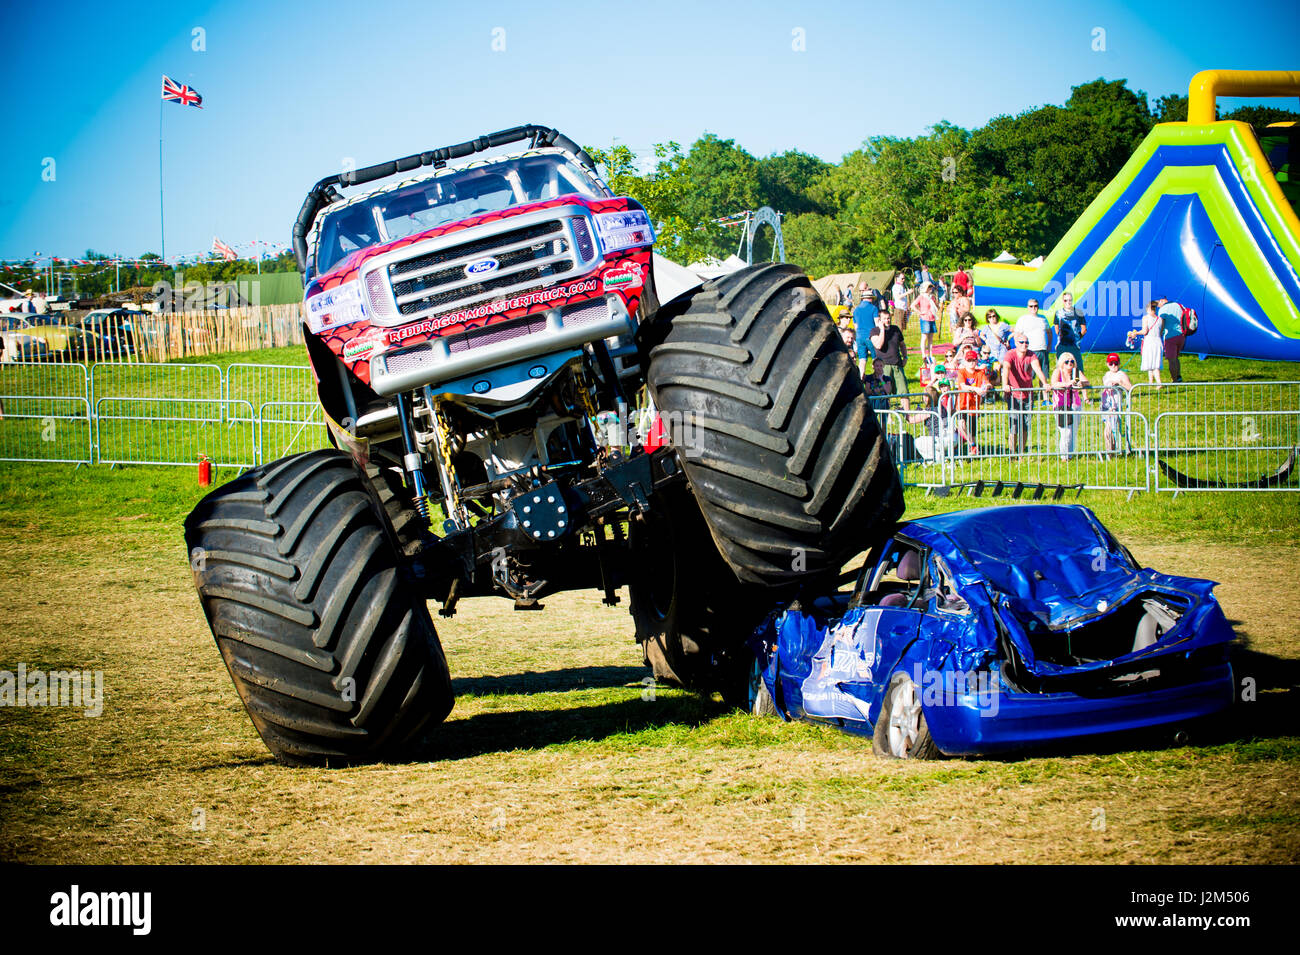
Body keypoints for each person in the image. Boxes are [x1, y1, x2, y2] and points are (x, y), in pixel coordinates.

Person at [1001, 332, 1050, 454]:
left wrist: (1044, 383)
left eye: (1027, 342)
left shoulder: (1031, 355)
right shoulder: (1010, 354)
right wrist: (1005, 384)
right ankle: (1012, 453)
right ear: (1016, 343)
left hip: (1028, 394)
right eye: (1022, 342)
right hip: (1013, 395)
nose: (1025, 344)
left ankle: (1021, 453)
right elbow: (1006, 368)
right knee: (1014, 426)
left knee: (1025, 425)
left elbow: (1037, 369)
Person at [1050, 353, 1090, 461]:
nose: (1070, 363)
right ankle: (1064, 456)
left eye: (1072, 361)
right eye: (1067, 361)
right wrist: (1067, 383)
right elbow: (1053, 384)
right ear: (1062, 363)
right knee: (1065, 431)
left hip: (1075, 404)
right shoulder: (1058, 371)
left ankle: (1070, 455)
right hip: (1061, 405)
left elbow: (1087, 382)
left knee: (1073, 431)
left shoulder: (1076, 372)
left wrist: (1082, 383)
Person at [871, 309, 910, 411]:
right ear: (879, 320)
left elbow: (902, 345)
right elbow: (878, 345)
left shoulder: (895, 329)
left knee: (904, 391)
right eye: (884, 319)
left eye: (888, 318)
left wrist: (905, 357)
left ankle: (908, 414)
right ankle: (888, 417)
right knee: (885, 392)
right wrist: (882, 330)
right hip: (883, 366)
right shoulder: (874, 331)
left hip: (897, 364)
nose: (887, 320)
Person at [954, 348, 990, 455]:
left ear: (976, 361)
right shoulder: (962, 372)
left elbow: (987, 383)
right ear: (965, 361)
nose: (971, 363)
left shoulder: (980, 373)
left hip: (974, 406)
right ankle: (972, 444)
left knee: (972, 430)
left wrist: (986, 388)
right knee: (962, 424)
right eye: (969, 360)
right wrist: (975, 389)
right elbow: (962, 385)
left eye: (973, 360)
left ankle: (973, 449)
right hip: (962, 404)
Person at [1100, 353, 1133, 454]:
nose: (1113, 365)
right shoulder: (1106, 374)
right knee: (1108, 429)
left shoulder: (1121, 374)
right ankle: (1110, 451)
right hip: (1106, 405)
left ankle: (1112, 451)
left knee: (1110, 429)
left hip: (1116, 406)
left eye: (1116, 363)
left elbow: (1130, 387)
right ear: (1107, 364)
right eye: (1111, 363)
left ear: (1119, 363)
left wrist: (1119, 384)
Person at [1128, 300, 1163, 387]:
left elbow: (1144, 331)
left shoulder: (1146, 318)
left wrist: (1135, 333)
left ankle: (1159, 383)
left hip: (1149, 341)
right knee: (1155, 362)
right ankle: (1150, 382)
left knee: (1151, 363)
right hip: (1158, 341)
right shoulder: (1160, 319)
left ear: (1148, 309)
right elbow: (1161, 332)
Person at [1014, 298, 1051, 380]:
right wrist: (1019, 348)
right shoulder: (1023, 319)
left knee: (1043, 376)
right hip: (1029, 351)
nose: (1033, 308)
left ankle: (1043, 392)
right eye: (1031, 306)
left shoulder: (1043, 318)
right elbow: (1017, 335)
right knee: (1028, 376)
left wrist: (1049, 345)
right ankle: (1028, 392)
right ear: (1028, 307)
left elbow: (1049, 332)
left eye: (1035, 306)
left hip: (1042, 350)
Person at [1053, 291, 1087, 367]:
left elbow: (1084, 329)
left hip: (1074, 345)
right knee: (1061, 366)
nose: (1068, 302)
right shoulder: (1058, 313)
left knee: (1077, 367)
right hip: (1062, 344)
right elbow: (1056, 327)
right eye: (1066, 300)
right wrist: (1062, 336)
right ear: (1063, 301)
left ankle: (1077, 379)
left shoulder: (1078, 312)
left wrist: (1077, 338)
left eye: (1070, 300)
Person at [1157, 295, 1186, 382]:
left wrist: (1159, 334)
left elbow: (1162, 323)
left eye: (1157, 302)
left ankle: (1175, 380)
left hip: (1170, 337)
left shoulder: (1163, 309)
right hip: (1181, 336)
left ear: (1162, 300)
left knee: (1171, 360)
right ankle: (1178, 376)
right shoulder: (1179, 305)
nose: (1157, 305)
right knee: (1176, 358)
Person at [910, 281, 940, 363]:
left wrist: (936, 303)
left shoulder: (932, 297)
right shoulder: (921, 297)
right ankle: (924, 355)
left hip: (932, 318)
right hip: (925, 318)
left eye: (931, 287)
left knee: (931, 338)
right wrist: (919, 312)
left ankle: (930, 354)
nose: (931, 289)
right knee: (924, 337)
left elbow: (937, 307)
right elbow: (912, 305)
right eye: (929, 287)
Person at [852, 289, 879, 376]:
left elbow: (855, 326)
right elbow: (877, 322)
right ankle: (877, 376)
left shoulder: (856, 310)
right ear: (870, 298)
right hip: (871, 336)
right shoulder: (874, 308)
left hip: (859, 336)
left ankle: (861, 377)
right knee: (875, 358)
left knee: (862, 359)